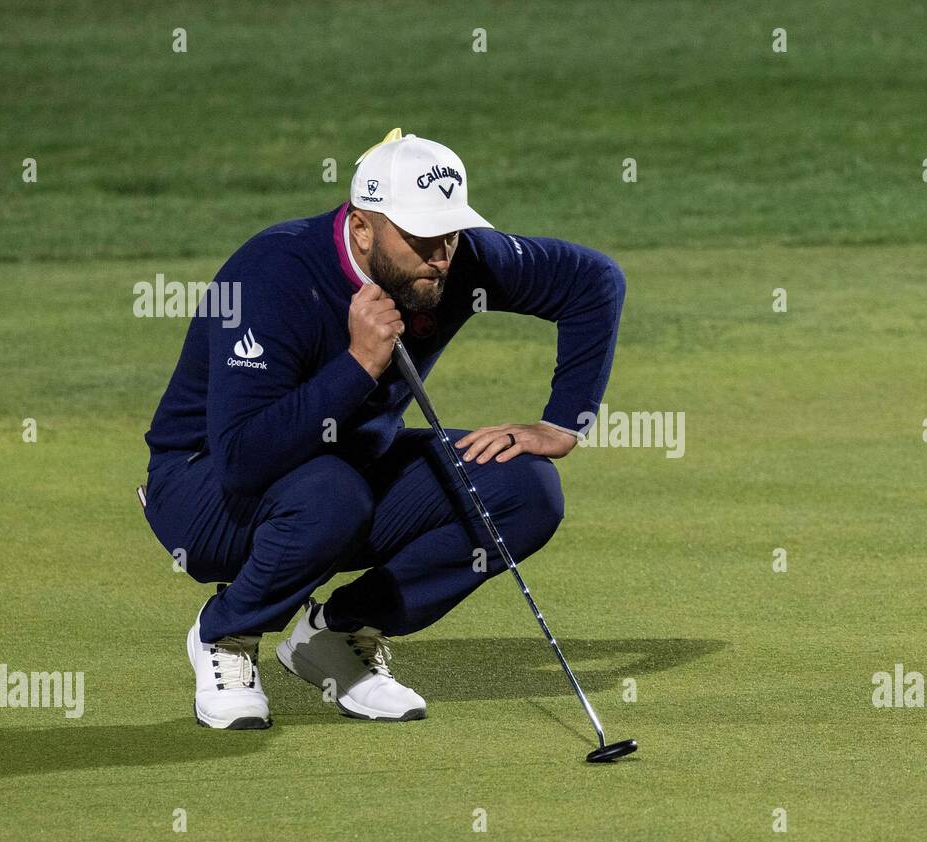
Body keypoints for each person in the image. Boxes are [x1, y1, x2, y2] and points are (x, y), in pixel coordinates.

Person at [141, 128, 625, 730]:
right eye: (421, 239)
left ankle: (335, 633)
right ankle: (226, 635)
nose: (441, 256)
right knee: (331, 495)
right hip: (204, 491)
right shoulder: (273, 274)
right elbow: (242, 456)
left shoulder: (454, 260)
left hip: (348, 474)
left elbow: (594, 281)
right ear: (363, 227)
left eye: (450, 233)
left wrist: (565, 421)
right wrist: (357, 366)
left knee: (524, 488)